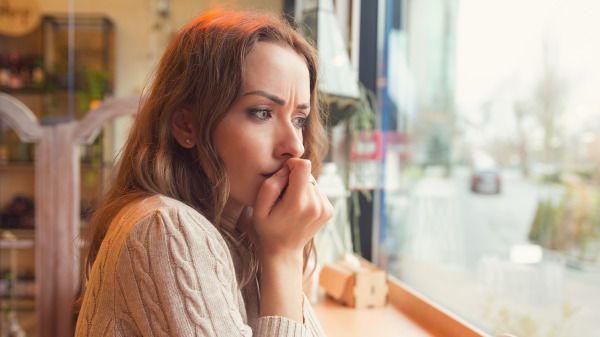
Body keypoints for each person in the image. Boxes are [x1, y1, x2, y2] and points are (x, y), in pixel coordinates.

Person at [75, 9, 333, 337]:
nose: (294, 146)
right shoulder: (166, 228)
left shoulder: (246, 232)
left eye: (299, 119)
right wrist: (284, 257)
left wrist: (277, 252)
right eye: (262, 113)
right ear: (187, 125)